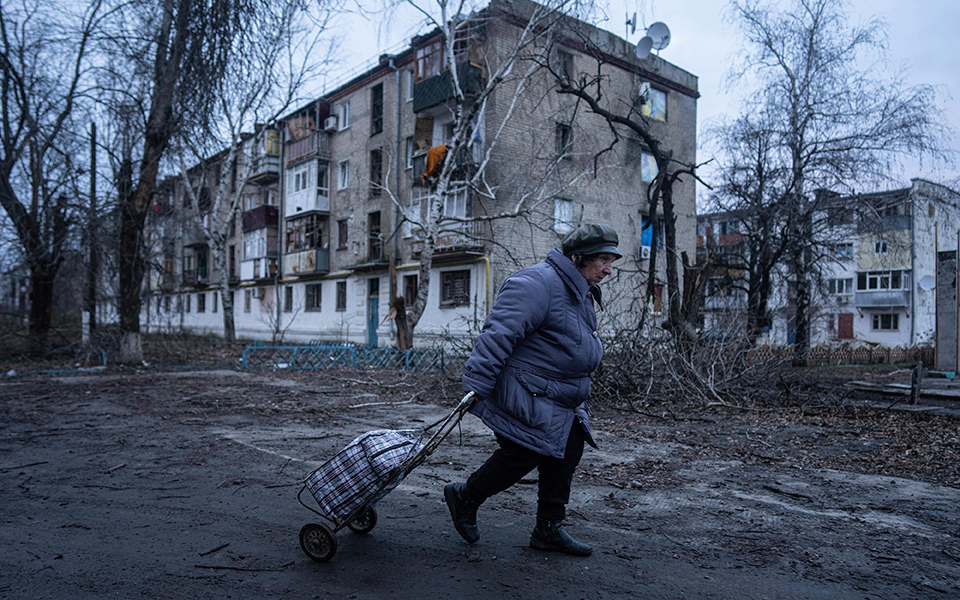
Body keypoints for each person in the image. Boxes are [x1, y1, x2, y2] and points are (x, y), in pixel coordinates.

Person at [444, 223, 621, 557]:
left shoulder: (578, 288)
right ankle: (465, 497)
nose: (609, 270)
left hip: (558, 395)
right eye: (602, 260)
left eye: (611, 261)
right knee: (525, 452)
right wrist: (478, 385)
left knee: (568, 448)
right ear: (577, 257)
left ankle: (548, 529)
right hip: (524, 391)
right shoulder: (538, 283)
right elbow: (498, 334)